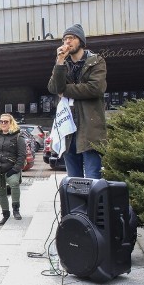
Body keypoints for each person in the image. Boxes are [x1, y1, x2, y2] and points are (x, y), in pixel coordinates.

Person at [48, 23, 108, 179]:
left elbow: (95, 88)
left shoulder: (95, 61)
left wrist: (66, 91)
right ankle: (77, 205)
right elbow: (54, 87)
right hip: (69, 130)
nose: (68, 42)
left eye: (72, 38)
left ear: (81, 41)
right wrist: (59, 61)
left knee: (92, 178)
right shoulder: (63, 64)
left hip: (89, 128)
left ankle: (92, 205)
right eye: (65, 38)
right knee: (74, 181)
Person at [0, 114, 26, 225]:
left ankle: (16, 209)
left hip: (11, 168)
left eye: (6, 121)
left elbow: (22, 156)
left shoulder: (18, 136)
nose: (3, 123)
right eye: (1, 121)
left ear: (11, 122)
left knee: (14, 184)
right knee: (1, 192)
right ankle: (5, 214)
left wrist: (15, 169)